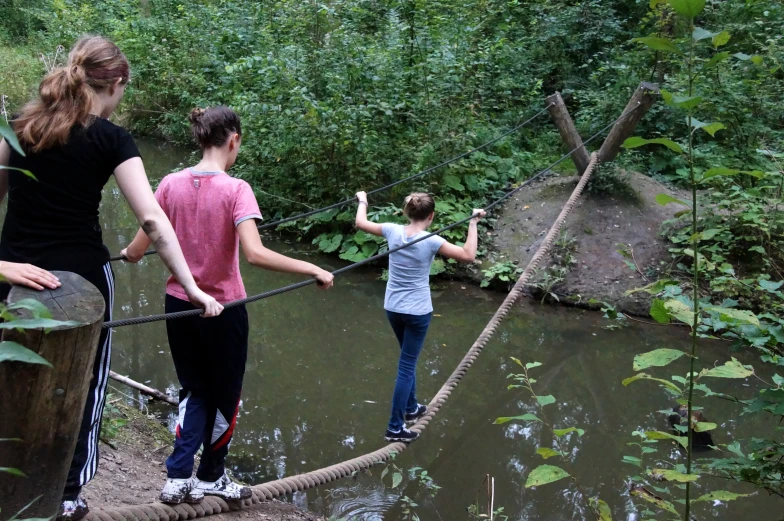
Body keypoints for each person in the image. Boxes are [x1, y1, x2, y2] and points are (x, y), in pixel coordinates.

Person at [0, 35, 223, 521]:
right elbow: (152, 220)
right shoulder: (112, 139)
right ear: (117, 84)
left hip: (10, 277)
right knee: (80, 388)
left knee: (8, 376)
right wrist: (191, 286)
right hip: (82, 283)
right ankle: (67, 494)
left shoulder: (20, 127)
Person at [122, 106, 335, 504]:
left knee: (194, 390)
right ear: (233, 139)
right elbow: (255, 254)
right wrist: (311, 268)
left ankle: (177, 477)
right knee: (226, 396)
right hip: (224, 310)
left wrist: (127, 254)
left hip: (179, 305)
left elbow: (138, 248)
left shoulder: (169, 183)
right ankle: (210, 477)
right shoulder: (237, 189)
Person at [354, 191, 485, 442]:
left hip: (393, 307)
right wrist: (472, 222)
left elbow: (360, 222)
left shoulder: (392, 230)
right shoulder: (431, 241)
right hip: (417, 312)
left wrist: (363, 200)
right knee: (406, 366)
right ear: (431, 216)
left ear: (407, 213)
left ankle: (411, 408)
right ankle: (395, 427)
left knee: (407, 358)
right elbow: (468, 256)